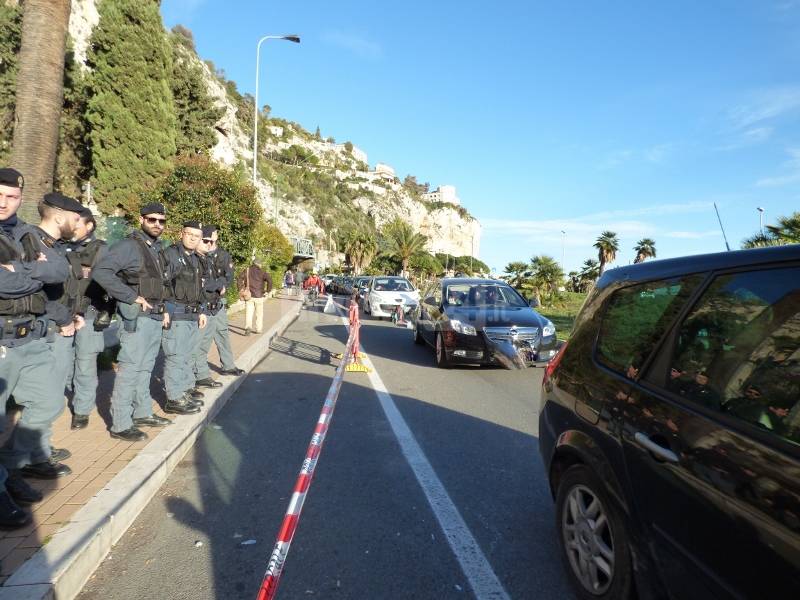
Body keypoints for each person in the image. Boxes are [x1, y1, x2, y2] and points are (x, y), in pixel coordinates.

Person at [0, 168, 71, 528]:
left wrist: (17, 268)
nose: (3, 202)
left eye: (11, 197)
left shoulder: (29, 233)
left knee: (48, 402)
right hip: (2, 342)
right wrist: (31, 272)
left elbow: (59, 269)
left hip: (31, 337)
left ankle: (10, 470)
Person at [92, 202, 179, 442]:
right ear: (141, 220)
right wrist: (131, 296)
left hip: (153, 316)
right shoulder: (129, 246)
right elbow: (101, 272)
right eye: (152, 220)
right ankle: (120, 424)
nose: (157, 225)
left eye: (162, 221)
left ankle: (142, 413)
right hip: (136, 319)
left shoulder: (156, 248)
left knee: (145, 368)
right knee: (130, 369)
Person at [66, 208, 116, 429]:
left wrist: (108, 310)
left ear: (89, 226)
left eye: (77, 223)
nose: (72, 226)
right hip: (63, 315)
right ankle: (73, 394)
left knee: (85, 364)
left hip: (89, 313)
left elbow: (112, 282)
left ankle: (81, 410)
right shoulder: (60, 247)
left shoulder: (100, 250)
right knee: (64, 364)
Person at [162, 221, 208, 414]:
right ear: (181, 234)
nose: (192, 238)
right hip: (177, 313)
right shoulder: (170, 254)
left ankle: (182, 390)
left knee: (186, 355)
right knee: (176, 356)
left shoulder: (195, 259)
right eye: (189, 234)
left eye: (196, 236)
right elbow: (162, 282)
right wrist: (164, 307)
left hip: (192, 314)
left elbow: (200, 288)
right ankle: (173, 398)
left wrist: (202, 310)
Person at [193, 225, 243, 389]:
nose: (214, 239)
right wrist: (216, 285)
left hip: (218, 302)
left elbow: (228, 277)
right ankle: (201, 374)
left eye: (214, 237)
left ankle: (228, 366)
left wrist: (220, 285)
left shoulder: (223, 255)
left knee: (222, 334)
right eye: (211, 237)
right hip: (205, 303)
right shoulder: (199, 254)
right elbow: (203, 282)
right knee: (203, 340)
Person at [237, 260, 268, 335]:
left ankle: (248, 328)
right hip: (259, 296)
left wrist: (241, 289)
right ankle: (258, 329)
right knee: (259, 314)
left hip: (249, 296)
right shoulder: (262, 272)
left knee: (249, 313)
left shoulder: (247, 270)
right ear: (259, 264)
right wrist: (267, 290)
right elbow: (269, 280)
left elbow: (239, 279)